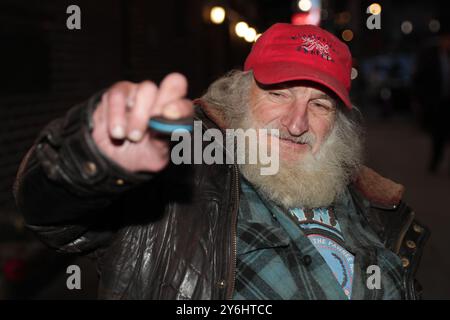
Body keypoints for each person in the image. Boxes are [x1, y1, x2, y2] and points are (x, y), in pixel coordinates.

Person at [14, 23, 429, 300]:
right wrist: (94, 161)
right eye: (279, 94)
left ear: (338, 125)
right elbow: (52, 218)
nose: (296, 122)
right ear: (238, 96)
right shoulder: (183, 175)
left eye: (319, 104)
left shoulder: (377, 206)